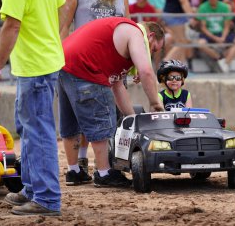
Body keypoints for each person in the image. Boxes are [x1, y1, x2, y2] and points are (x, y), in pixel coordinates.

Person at [0, 0, 65, 216]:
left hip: (34, 67)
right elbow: (62, 8)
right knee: (28, 129)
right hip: (41, 63)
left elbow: (12, 25)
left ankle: (47, 198)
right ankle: (32, 189)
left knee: (38, 132)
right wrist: (51, 41)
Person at [59, 18, 165, 187]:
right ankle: (104, 173)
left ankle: (74, 171)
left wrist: (132, 118)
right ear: (150, 36)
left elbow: (117, 85)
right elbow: (146, 71)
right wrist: (156, 103)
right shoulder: (135, 32)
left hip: (64, 63)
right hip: (85, 67)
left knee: (70, 122)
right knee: (101, 119)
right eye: (153, 49)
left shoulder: (121, 42)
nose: (150, 53)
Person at [61, 0, 129, 177]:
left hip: (111, 65)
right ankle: (76, 167)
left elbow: (128, 26)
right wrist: (62, 58)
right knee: (73, 116)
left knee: (107, 117)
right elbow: (63, 25)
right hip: (81, 62)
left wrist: (129, 66)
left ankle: (103, 164)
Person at [196, 0, 234, 65]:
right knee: (200, 43)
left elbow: (227, 26)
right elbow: (203, 27)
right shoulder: (203, 7)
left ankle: (224, 58)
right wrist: (215, 38)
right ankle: (218, 57)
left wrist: (223, 37)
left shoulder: (225, 7)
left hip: (222, 32)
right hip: (209, 33)